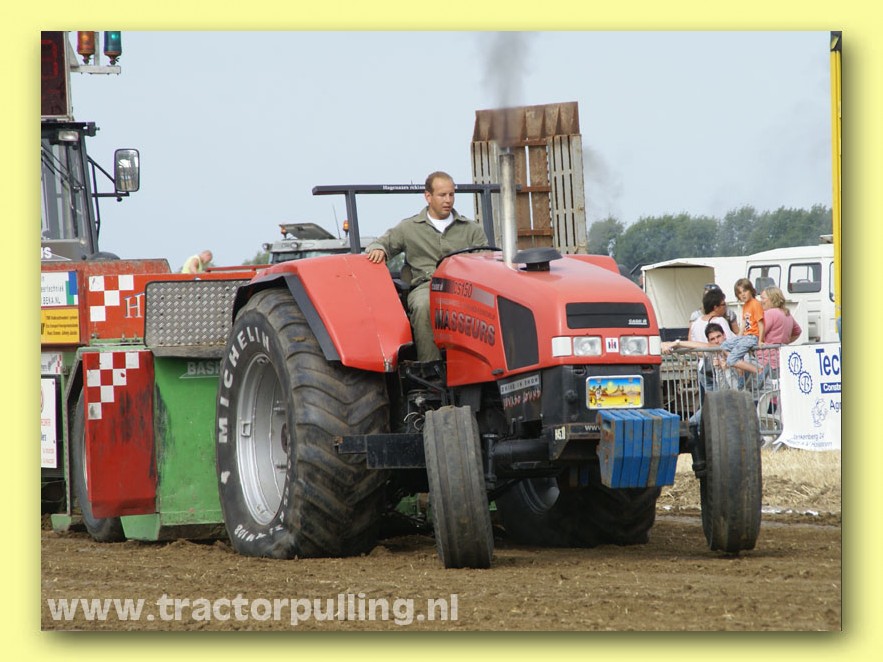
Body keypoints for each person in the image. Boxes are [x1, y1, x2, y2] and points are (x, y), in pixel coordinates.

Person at [366, 171, 489, 361]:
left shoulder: (472, 229)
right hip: (426, 285)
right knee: (423, 305)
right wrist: (378, 249)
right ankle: (430, 367)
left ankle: (484, 363)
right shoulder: (409, 228)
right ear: (428, 196)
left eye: (451, 194)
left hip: (464, 287)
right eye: (442, 195)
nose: (448, 200)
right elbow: (381, 243)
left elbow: (486, 262)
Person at [718, 277, 764, 370]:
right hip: (745, 337)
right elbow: (743, 324)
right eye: (739, 293)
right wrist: (738, 337)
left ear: (751, 290)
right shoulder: (745, 306)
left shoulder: (755, 304)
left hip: (753, 336)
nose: (743, 294)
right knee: (724, 346)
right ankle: (737, 362)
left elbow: (761, 323)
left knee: (731, 360)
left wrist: (760, 340)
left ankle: (757, 370)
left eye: (745, 291)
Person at [757, 285, 802, 371]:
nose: (760, 301)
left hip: (766, 360)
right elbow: (797, 332)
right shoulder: (787, 314)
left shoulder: (769, 313)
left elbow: (758, 334)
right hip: (781, 358)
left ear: (772, 298)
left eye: (763, 298)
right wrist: (784, 342)